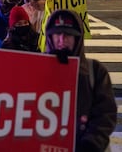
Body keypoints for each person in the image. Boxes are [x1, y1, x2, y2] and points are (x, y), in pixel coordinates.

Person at [45, 9, 117, 152]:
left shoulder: (95, 71)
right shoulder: (37, 69)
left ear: (77, 39)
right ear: (50, 37)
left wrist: (91, 143)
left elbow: (106, 114)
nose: (62, 41)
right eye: (57, 34)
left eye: (68, 36)